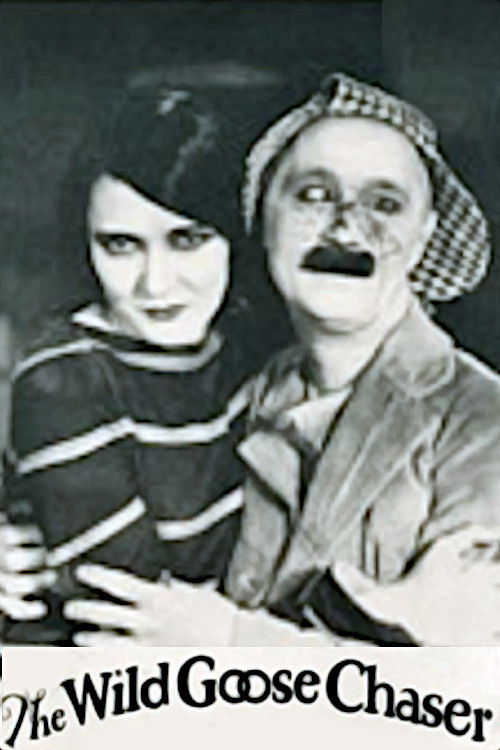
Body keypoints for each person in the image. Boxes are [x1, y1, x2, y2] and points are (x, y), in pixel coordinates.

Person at [60, 73, 500, 647]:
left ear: (423, 237)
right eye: (313, 195)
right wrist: (31, 551)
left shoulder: (481, 422)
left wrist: (233, 642)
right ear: (262, 215)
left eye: (385, 203)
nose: (345, 227)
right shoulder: (235, 393)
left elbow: (464, 693)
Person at [0, 82, 261, 644]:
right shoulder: (62, 378)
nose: (155, 284)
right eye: (120, 245)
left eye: (188, 239)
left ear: (235, 233)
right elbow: (134, 618)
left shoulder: (252, 352)